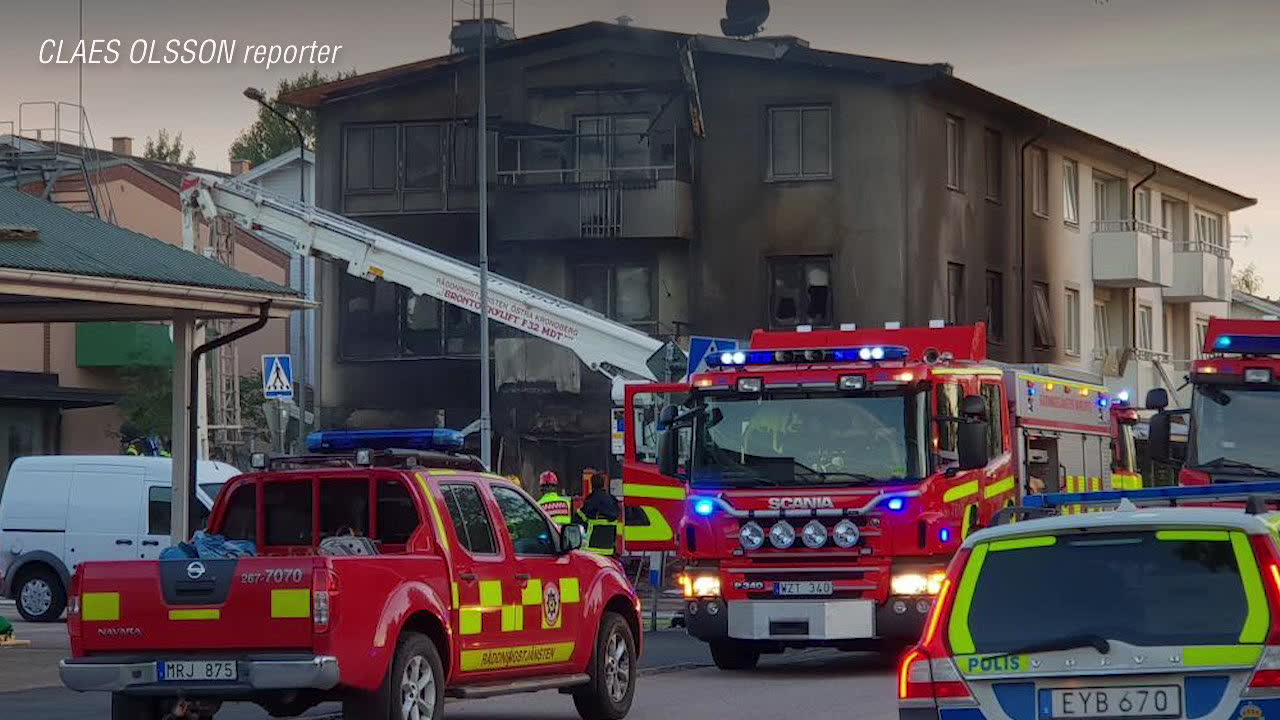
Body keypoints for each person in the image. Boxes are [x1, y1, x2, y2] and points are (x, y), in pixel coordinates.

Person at [578, 471, 621, 557]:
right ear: (603, 484)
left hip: (593, 548)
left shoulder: (592, 499)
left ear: (592, 485)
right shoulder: (612, 500)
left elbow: (580, 517)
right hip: (609, 549)